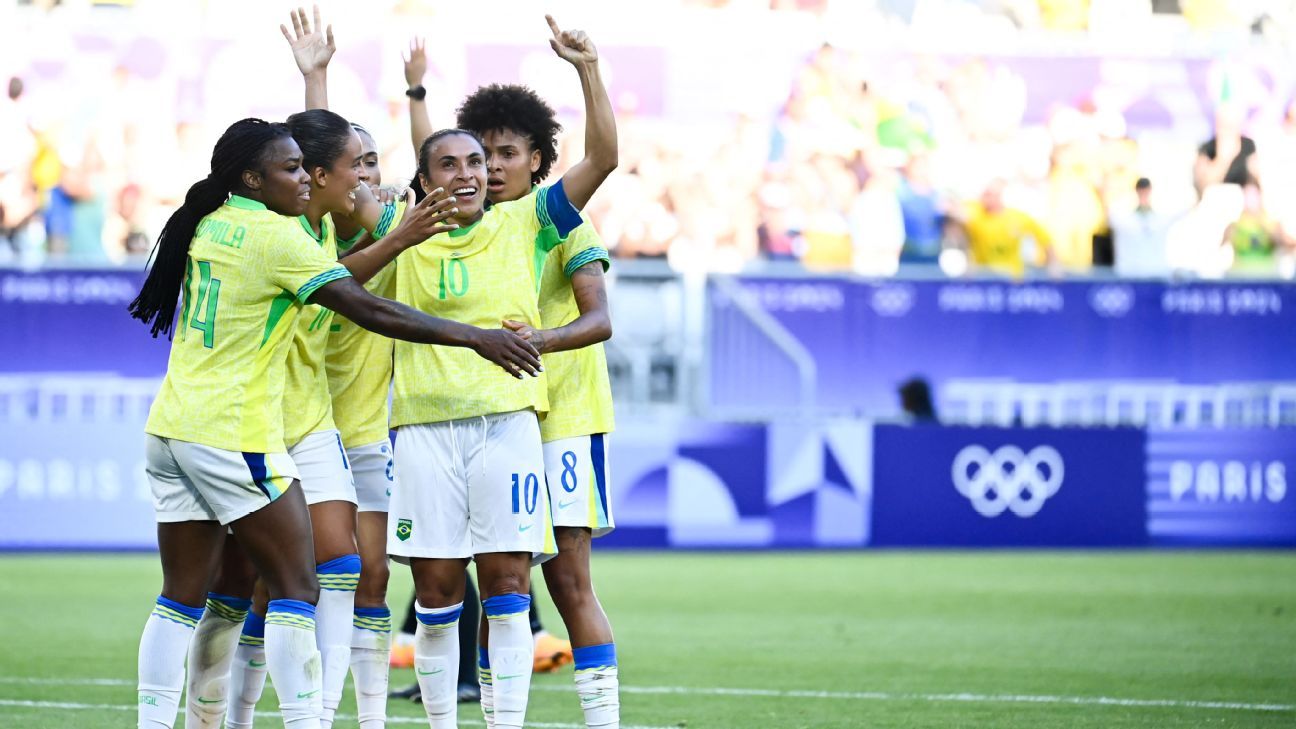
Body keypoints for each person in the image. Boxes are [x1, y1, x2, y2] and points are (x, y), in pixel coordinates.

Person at [129, 118, 539, 729]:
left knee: (181, 598)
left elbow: (330, 187)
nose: (302, 178)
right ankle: (306, 721)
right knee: (298, 585)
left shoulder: (212, 223)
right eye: (290, 170)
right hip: (233, 433)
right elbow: (368, 306)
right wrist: (475, 338)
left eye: (304, 167)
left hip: (171, 428)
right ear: (253, 178)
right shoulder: (279, 238)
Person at [385, 15, 618, 729]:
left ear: (534, 158)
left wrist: (586, 68)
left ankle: (597, 718)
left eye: (502, 154)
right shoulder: (433, 224)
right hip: (474, 412)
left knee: (561, 580)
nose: (487, 165)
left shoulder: (554, 218)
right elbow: (427, 160)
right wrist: (417, 91)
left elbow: (603, 161)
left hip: (560, 411)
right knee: (466, 581)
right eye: (477, 155)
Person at [958, 178, 1054, 278]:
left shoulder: (1017, 217)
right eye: (984, 194)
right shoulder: (976, 214)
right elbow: (957, 210)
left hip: (1012, 278)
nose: (984, 198)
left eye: (989, 194)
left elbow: (1045, 239)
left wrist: (1053, 264)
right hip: (984, 277)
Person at [1110, 177, 1172, 278]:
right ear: (1137, 191)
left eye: (1146, 190)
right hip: (1130, 278)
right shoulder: (1125, 220)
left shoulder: (1161, 219)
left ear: (1150, 191)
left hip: (1155, 278)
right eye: (1141, 190)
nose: (1144, 193)